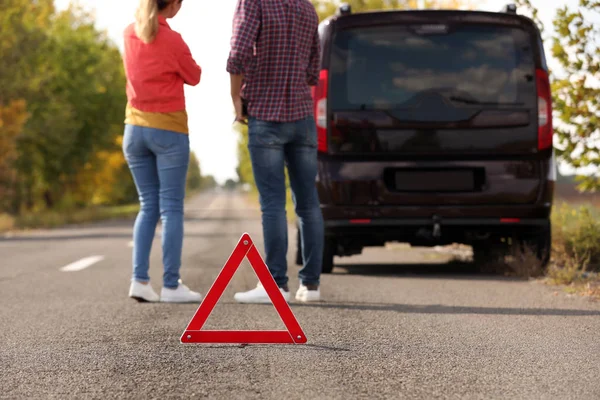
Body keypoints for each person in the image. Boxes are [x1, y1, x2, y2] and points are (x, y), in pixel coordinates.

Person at [227, 0, 324, 303]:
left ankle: (275, 285)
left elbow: (238, 54)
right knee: (308, 204)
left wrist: (235, 98)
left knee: (272, 204)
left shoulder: (254, 3)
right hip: (302, 117)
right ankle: (311, 286)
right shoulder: (307, 9)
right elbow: (313, 70)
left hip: (266, 116)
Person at [122, 0, 202, 303]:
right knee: (171, 209)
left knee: (147, 206)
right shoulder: (173, 40)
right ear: (174, 4)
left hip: (133, 130)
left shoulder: (129, 33)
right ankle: (171, 285)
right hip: (167, 131)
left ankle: (139, 280)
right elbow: (194, 76)